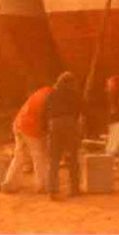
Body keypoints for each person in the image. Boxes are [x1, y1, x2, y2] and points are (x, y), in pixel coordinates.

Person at [1, 84, 53, 193]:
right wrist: (46, 132)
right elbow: (45, 117)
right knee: (39, 156)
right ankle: (41, 185)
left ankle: (9, 183)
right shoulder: (51, 97)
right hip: (30, 127)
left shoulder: (42, 92)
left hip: (18, 124)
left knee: (19, 156)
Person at [44, 71, 82, 200]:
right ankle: (74, 189)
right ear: (71, 83)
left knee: (54, 159)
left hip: (53, 124)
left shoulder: (51, 94)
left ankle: (52, 190)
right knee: (72, 156)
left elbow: (46, 111)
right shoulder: (74, 94)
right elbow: (79, 109)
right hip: (69, 122)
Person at [104, 74, 119, 157]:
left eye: (110, 83)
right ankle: (112, 151)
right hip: (114, 118)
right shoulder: (110, 93)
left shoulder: (118, 93)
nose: (109, 84)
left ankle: (113, 151)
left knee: (117, 134)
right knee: (114, 133)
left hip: (118, 118)